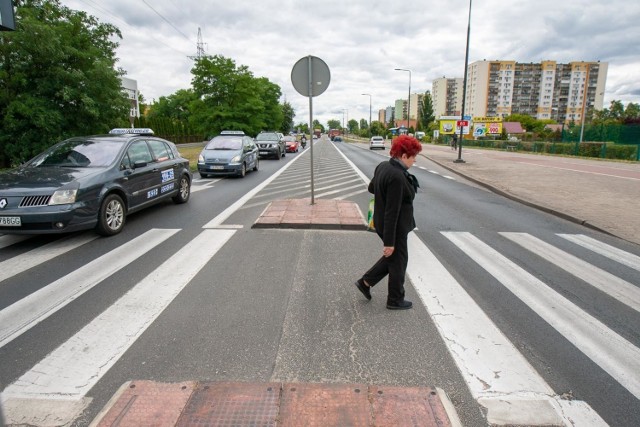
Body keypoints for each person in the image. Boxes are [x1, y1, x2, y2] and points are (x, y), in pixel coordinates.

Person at [354, 135, 422, 310]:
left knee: (394, 258)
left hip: (382, 222)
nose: (414, 161)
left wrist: (382, 189)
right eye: (413, 157)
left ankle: (366, 282)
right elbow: (393, 212)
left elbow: (372, 187)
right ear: (404, 155)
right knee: (399, 261)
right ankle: (395, 299)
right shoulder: (398, 177)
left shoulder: (383, 166)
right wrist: (389, 243)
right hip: (394, 226)